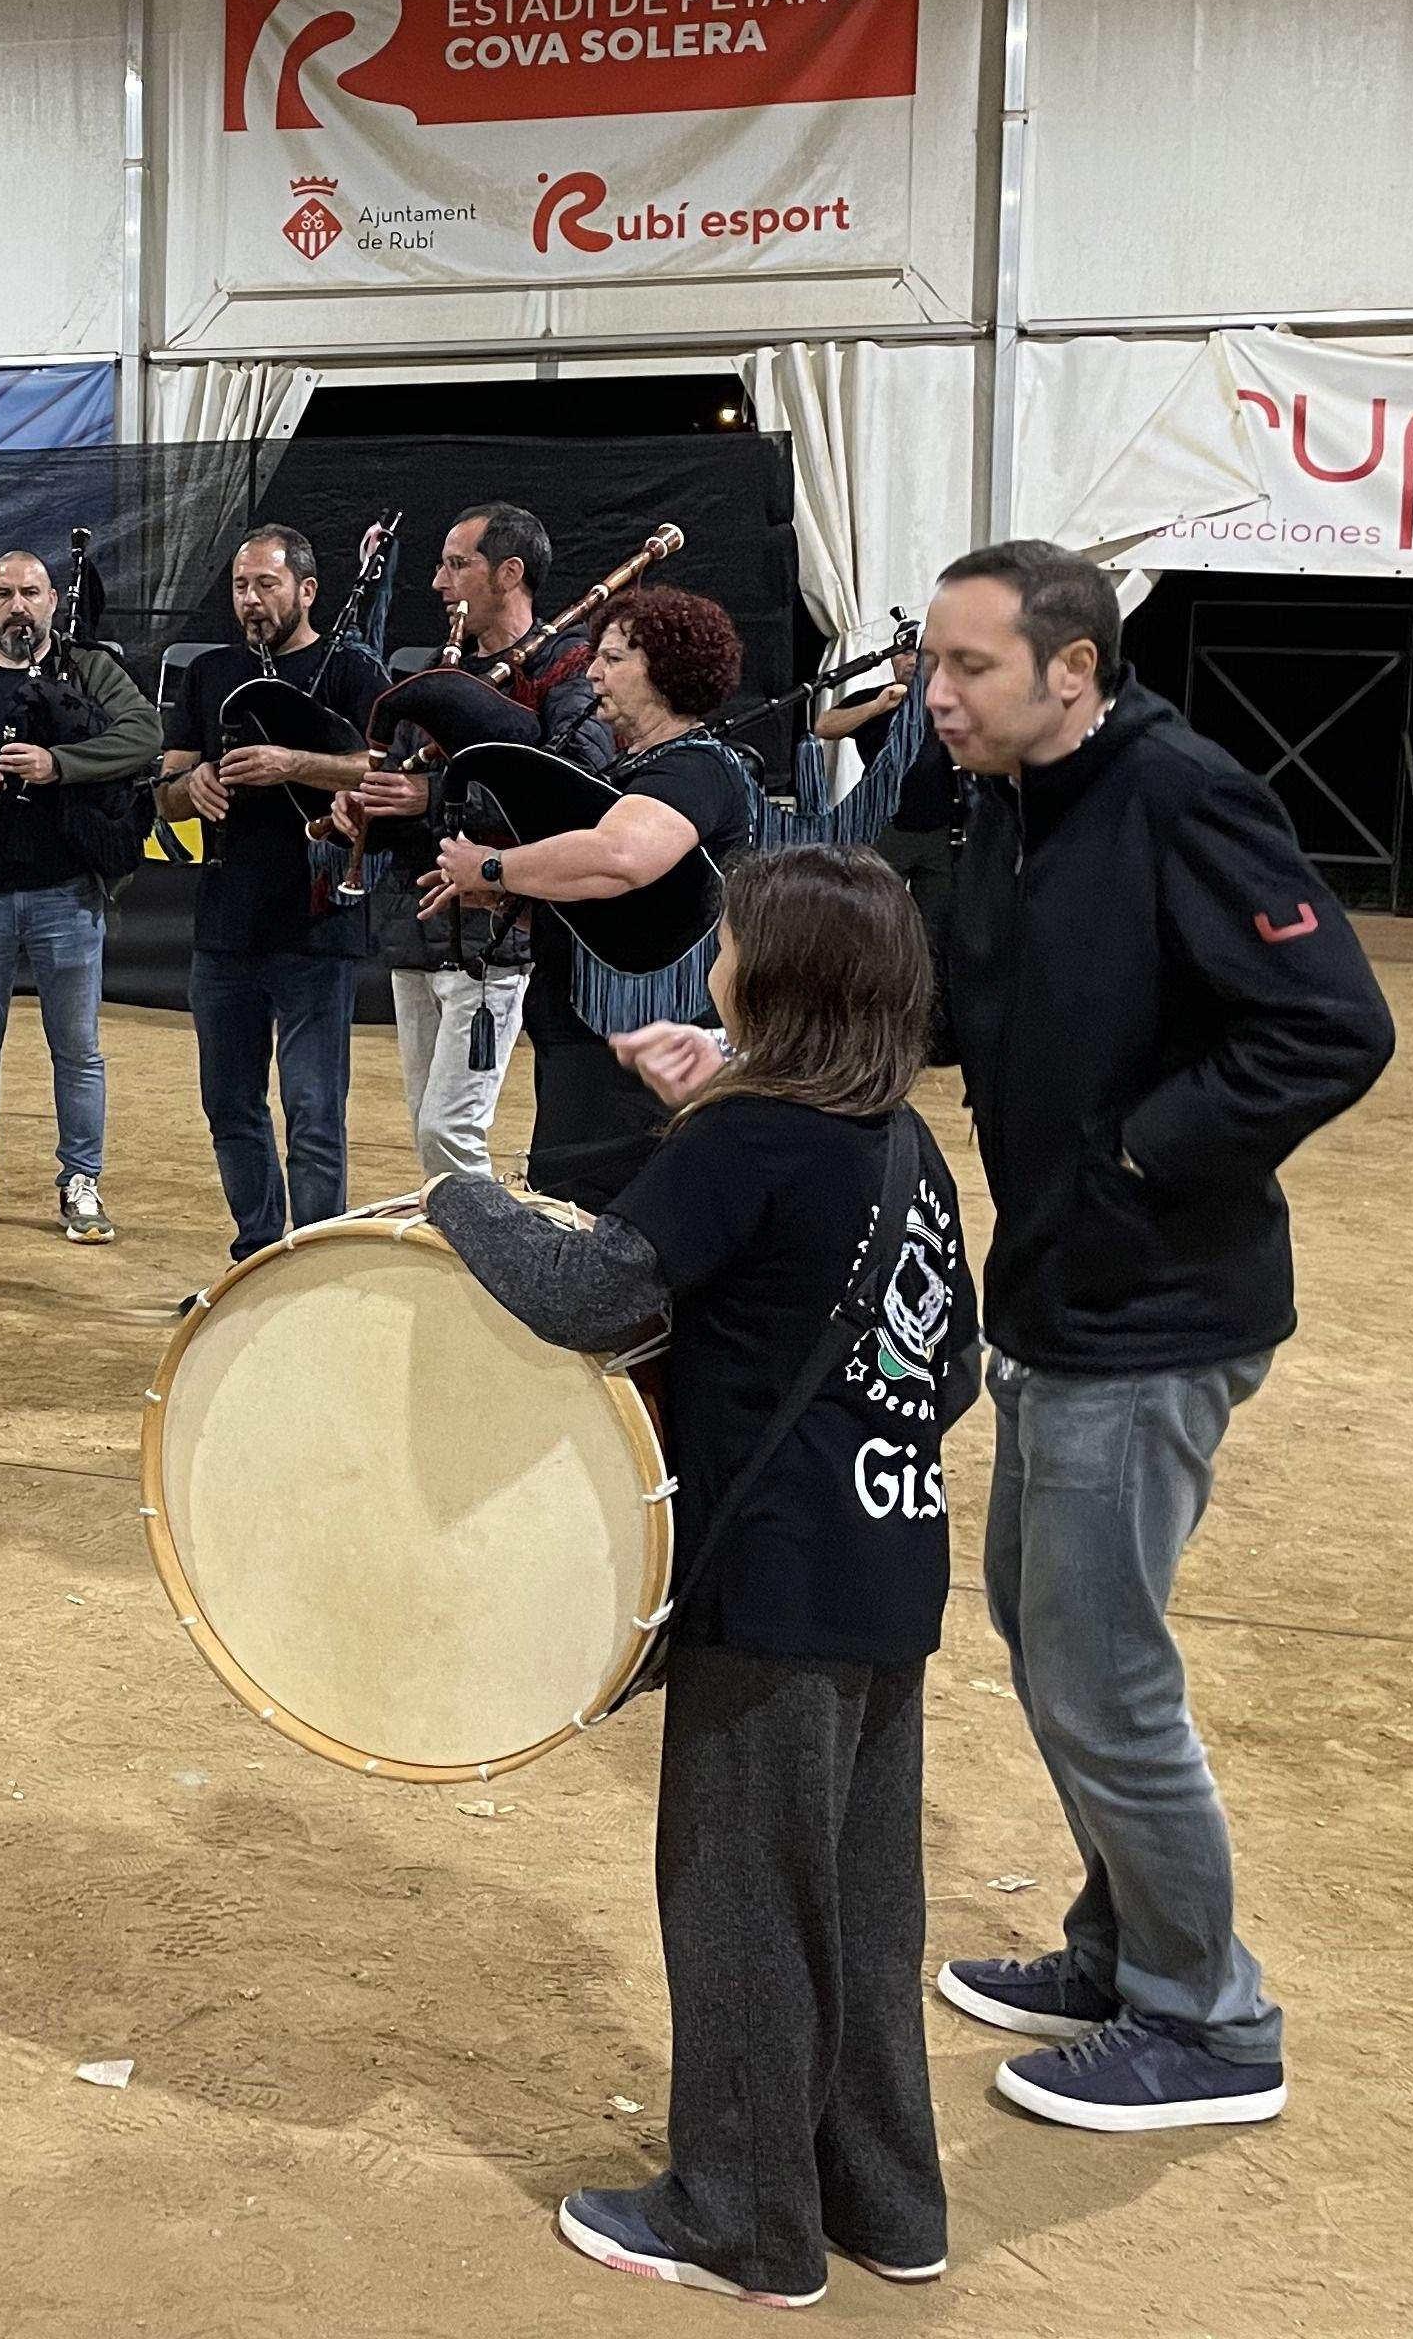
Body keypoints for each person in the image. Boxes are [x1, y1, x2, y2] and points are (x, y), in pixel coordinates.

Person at [428, 845, 974, 2307]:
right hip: (886, 1572)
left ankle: (741, 2219)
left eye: (734, 939)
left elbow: (588, 1290)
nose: (714, 956)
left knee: (740, 1900)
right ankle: (886, 2200)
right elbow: (954, 1368)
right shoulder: (898, 1144)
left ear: (775, 976)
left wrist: (459, 1197)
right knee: (858, 1904)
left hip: (771, 1591)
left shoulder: (749, 1144)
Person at [912, 539, 1392, 2138]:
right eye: (933, 661)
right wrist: (774, 1036)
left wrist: (1135, 1157)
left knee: (1105, 1674)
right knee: (1047, 1640)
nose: (935, 694)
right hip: (1051, 1294)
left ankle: (1210, 2022)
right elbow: (977, 1005)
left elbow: (1333, 1023)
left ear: (1073, 671)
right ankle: (1123, 1951)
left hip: (1154, 1311)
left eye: (969, 667)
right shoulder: (1011, 807)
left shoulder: (1182, 794)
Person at [428, 583, 766, 1209]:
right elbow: (620, 913)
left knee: (608, 1226)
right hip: (595, 1045)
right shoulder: (637, 770)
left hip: (641, 1058)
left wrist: (495, 867)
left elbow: (620, 860)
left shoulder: (696, 768)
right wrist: (513, 900)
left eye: (612, 659)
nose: (592, 673)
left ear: (665, 672)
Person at [0, 548, 160, 1246]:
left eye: (31, 593)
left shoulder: (92, 670)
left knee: (77, 1050)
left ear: (52, 601)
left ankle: (81, 1183)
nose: (18, 606)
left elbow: (145, 736)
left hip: (68, 895)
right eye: (3, 593)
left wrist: (58, 765)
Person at [340, 504, 601, 1182]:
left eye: (458, 565)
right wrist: (365, 811)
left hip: (494, 932)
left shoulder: (566, 671)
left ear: (509, 574)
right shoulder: (437, 668)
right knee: (429, 1127)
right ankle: (457, 1267)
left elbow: (569, 791)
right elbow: (397, 780)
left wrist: (434, 796)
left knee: (449, 1130)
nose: (438, 582)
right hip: (415, 923)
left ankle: (480, 1273)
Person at [158, 526, 386, 1268]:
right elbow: (165, 792)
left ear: (308, 590)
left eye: (266, 585)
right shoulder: (209, 673)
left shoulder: (352, 669)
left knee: (316, 1113)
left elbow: (381, 775)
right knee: (230, 1109)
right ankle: (257, 1261)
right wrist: (188, 788)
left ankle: (317, 1270)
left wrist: (295, 762)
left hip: (317, 925)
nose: (251, 602)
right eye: (240, 587)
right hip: (224, 926)